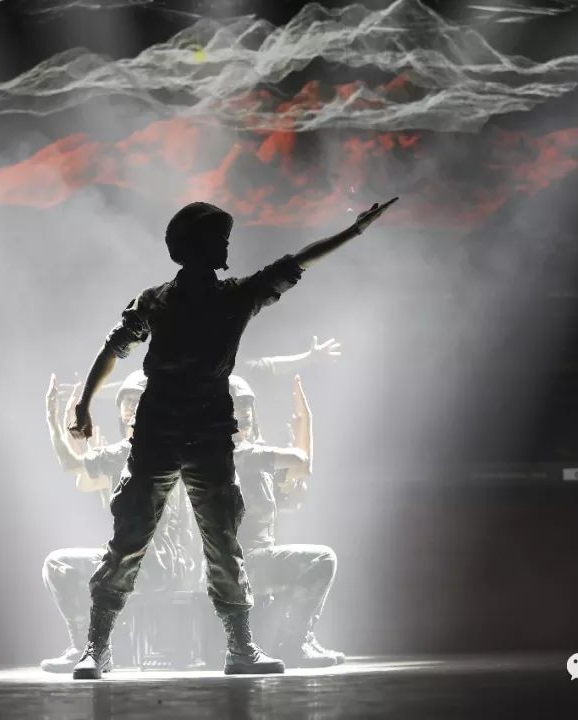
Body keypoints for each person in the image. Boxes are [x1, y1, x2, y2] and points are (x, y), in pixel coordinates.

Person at [67, 197, 397, 679]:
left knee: (222, 541)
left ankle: (240, 646)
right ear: (192, 247)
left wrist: (354, 231)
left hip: (208, 433)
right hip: (159, 431)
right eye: (218, 239)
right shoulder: (158, 301)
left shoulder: (236, 296)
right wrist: (83, 403)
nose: (225, 247)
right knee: (130, 536)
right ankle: (97, 646)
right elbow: (113, 347)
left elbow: (297, 262)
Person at [40, 371, 197, 672]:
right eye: (127, 401)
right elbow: (85, 478)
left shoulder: (138, 448)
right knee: (66, 563)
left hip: (152, 564)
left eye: (139, 400)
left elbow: (71, 465)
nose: (132, 407)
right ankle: (88, 646)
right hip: (153, 562)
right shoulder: (145, 449)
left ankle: (88, 647)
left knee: (65, 564)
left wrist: (52, 419)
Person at [228, 374, 344, 668]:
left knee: (305, 563)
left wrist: (293, 487)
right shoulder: (238, 454)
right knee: (321, 559)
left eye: (245, 407)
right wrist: (305, 420)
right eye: (234, 407)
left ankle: (297, 639)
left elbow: (292, 489)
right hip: (239, 563)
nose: (242, 414)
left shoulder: (250, 457)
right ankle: (295, 643)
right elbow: (302, 462)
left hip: (250, 559)